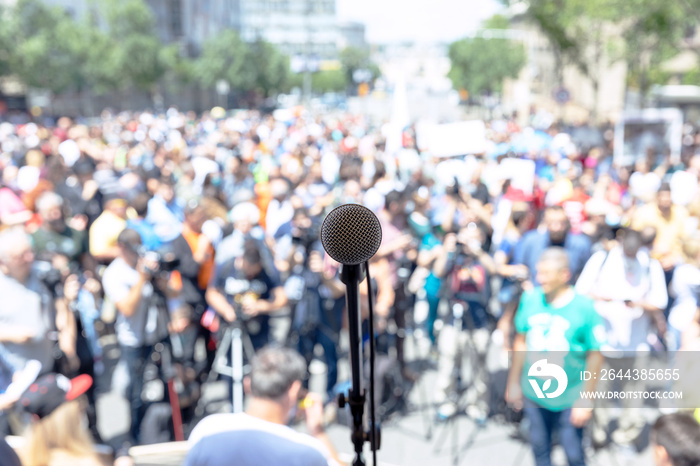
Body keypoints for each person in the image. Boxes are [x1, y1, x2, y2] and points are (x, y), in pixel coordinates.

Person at [507, 248, 605, 466]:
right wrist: (513, 383)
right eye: (538, 273)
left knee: (573, 453)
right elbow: (520, 341)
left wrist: (586, 398)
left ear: (564, 275)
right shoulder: (530, 299)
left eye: (546, 274)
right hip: (534, 392)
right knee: (539, 447)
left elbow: (596, 354)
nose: (539, 279)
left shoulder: (584, 308)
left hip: (570, 395)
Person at [575, 228, 667, 447]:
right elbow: (580, 292)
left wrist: (637, 302)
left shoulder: (650, 265)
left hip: (637, 343)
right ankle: (598, 434)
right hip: (603, 341)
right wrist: (604, 298)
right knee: (600, 391)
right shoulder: (602, 259)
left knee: (633, 394)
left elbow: (660, 301)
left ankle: (626, 436)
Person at [185, 346, 341, 466]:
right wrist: (318, 431)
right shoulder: (307, 452)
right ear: (294, 390)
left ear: (248, 385)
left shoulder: (208, 429)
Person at [102, 228, 170, 446]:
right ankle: (133, 435)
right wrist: (142, 278)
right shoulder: (114, 273)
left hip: (155, 333)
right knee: (134, 389)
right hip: (132, 339)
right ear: (121, 248)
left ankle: (163, 429)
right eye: (133, 250)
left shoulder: (144, 262)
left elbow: (171, 292)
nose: (137, 255)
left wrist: (159, 275)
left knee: (165, 380)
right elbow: (127, 308)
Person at [17, 373, 100, 466]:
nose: (83, 408)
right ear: (67, 418)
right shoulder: (83, 462)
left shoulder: (21, 458)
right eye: (80, 405)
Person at [513, 205, 592, 286]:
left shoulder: (581, 244)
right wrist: (526, 285)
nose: (556, 227)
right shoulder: (530, 241)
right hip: (537, 294)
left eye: (561, 223)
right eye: (552, 223)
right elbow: (521, 267)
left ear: (567, 222)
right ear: (545, 222)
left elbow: (588, 274)